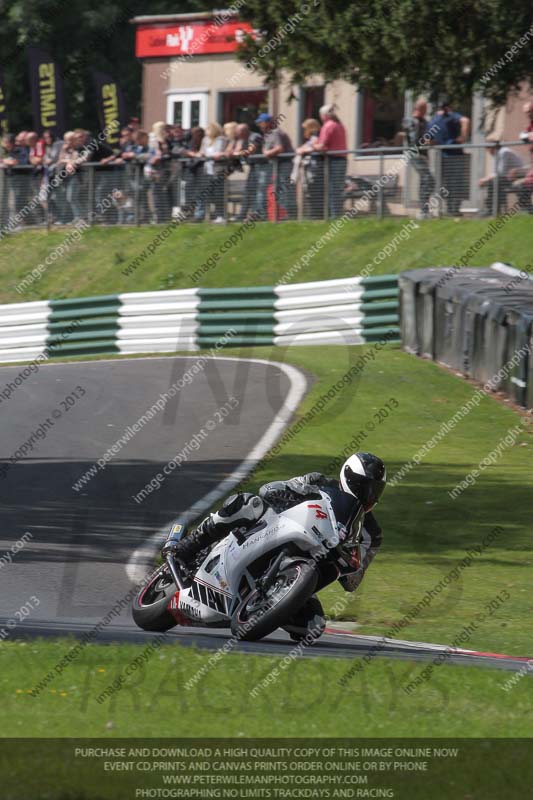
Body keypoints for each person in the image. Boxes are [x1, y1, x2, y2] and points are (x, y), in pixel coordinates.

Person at [164, 452, 386, 640]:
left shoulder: (372, 533)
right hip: (277, 527)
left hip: (305, 570)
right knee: (248, 503)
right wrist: (286, 493)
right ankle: (189, 545)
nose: (369, 495)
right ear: (348, 478)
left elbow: (354, 580)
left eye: (375, 490)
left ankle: (267, 603)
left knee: (313, 627)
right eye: (364, 487)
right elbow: (272, 489)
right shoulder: (319, 482)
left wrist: (352, 566)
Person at [429, 99, 470, 216]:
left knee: (444, 184)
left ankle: (444, 209)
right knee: (456, 183)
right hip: (454, 155)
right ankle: (453, 209)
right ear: (448, 108)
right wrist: (463, 137)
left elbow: (428, 139)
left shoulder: (434, 120)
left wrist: (436, 143)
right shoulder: (450, 115)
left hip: (441, 156)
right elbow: (466, 120)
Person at [256, 112, 295, 220]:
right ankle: (283, 214)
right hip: (278, 165)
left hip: (284, 164)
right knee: (278, 189)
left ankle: (289, 215)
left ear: (268, 122)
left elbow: (279, 148)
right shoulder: (268, 134)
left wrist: (268, 153)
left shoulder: (275, 132)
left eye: (261, 122)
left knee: (283, 188)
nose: (259, 125)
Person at [312, 104, 347, 218]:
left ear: (324, 115)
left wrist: (314, 145)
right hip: (342, 159)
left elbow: (321, 146)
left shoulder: (327, 126)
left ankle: (334, 216)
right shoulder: (340, 125)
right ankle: (336, 214)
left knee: (333, 189)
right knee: (337, 188)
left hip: (334, 160)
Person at [402, 98, 436, 218]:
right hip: (415, 154)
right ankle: (423, 210)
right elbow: (413, 138)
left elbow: (429, 137)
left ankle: (424, 210)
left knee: (425, 180)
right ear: (419, 108)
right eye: (424, 108)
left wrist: (431, 141)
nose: (426, 110)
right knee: (428, 179)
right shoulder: (409, 120)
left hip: (424, 155)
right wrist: (423, 142)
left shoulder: (425, 122)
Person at [479, 139, 524, 215]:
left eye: (488, 149)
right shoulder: (497, 154)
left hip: (518, 177)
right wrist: (485, 179)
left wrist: (485, 179)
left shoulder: (504, 152)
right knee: (493, 182)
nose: (488, 152)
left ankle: (492, 209)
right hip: (507, 178)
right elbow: (496, 172)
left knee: (494, 182)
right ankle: (494, 209)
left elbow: (501, 172)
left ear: (492, 148)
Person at [194, 122, 228, 223]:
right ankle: (210, 215)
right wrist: (200, 154)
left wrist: (210, 155)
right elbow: (202, 151)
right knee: (207, 193)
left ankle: (221, 216)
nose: (206, 131)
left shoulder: (221, 139)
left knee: (218, 193)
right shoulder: (205, 140)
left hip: (218, 170)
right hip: (207, 170)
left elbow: (219, 152)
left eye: (208, 129)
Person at [233, 122, 264, 220]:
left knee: (259, 191)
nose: (236, 134)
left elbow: (251, 149)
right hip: (253, 167)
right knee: (248, 191)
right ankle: (242, 215)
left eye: (238, 132)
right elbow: (237, 150)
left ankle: (257, 215)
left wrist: (239, 153)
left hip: (261, 167)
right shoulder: (242, 139)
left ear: (244, 131)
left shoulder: (255, 136)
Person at [294, 118, 323, 219]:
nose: (304, 131)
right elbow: (304, 147)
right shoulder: (313, 137)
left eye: (305, 128)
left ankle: (316, 216)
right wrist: (301, 149)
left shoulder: (317, 135)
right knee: (310, 192)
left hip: (316, 169)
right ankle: (313, 215)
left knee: (315, 192)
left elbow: (312, 147)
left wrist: (303, 150)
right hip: (311, 168)